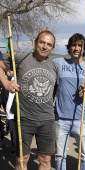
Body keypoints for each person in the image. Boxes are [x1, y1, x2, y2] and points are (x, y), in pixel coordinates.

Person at [0, 30, 58, 170]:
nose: (44, 46)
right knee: (22, 159)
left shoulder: (54, 66)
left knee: (45, 159)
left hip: (47, 120)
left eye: (49, 44)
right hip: (24, 119)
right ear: (35, 43)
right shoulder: (21, 58)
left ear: (52, 48)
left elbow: (55, 91)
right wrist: (6, 83)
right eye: (42, 42)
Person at [53, 33, 85, 170]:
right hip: (61, 119)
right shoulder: (59, 63)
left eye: (80, 45)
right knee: (60, 156)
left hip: (82, 119)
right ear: (69, 47)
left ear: (84, 48)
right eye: (74, 45)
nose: (77, 48)